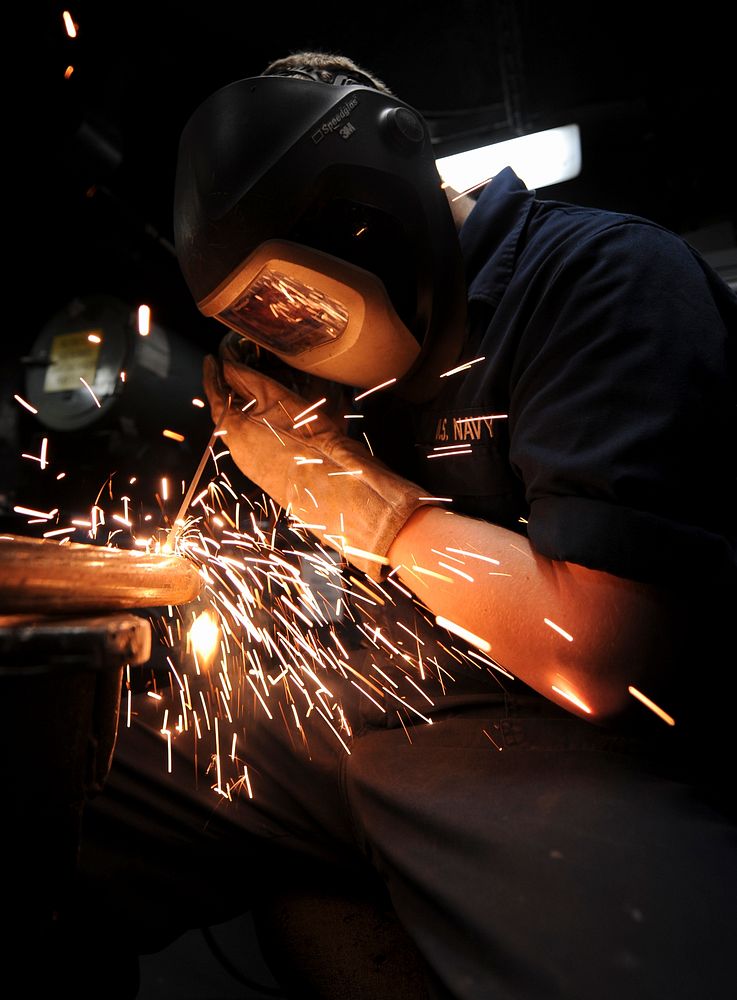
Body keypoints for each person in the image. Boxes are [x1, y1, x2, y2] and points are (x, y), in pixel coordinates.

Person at [56, 51, 736, 999]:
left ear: (373, 207)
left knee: (641, 963)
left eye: (296, 301)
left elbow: (605, 655)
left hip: (552, 743)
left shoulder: (601, 278)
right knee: (54, 789)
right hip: (340, 725)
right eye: (259, 318)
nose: (290, 334)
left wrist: (372, 509)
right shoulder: (303, 368)